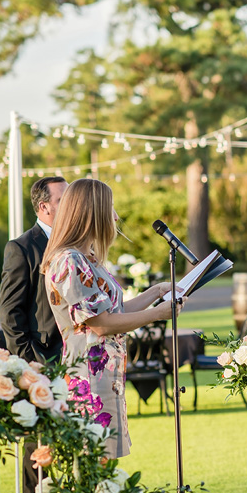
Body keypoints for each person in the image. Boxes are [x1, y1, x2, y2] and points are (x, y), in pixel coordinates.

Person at [41, 178, 183, 459]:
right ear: (91, 213)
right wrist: (158, 314)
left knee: (105, 467)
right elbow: (102, 324)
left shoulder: (87, 258)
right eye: (111, 208)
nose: (116, 216)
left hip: (107, 376)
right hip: (89, 380)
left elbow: (114, 311)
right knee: (96, 466)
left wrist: (156, 292)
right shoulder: (69, 261)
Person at [0, 175, 68, 493]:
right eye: (63, 198)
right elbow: (10, 315)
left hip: (76, 361)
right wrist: (31, 364)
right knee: (40, 453)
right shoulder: (22, 247)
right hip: (40, 363)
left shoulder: (76, 243)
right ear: (45, 207)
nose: (71, 203)